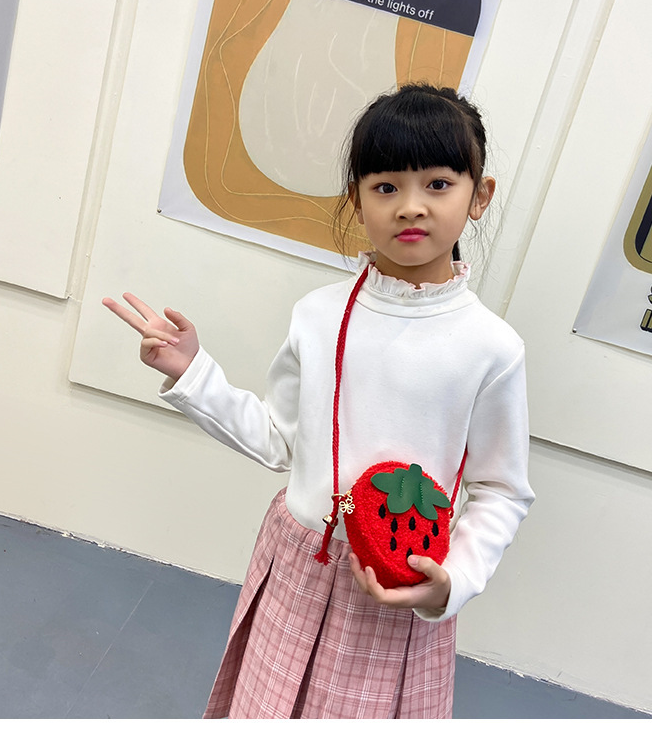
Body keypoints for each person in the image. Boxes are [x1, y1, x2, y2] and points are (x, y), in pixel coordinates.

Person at [102, 83, 534, 719]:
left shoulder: (492, 348)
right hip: (299, 562)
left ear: (480, 195)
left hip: (400, 586)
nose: (411, 206)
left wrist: (453, 581)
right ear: (356, 199)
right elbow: (280, 440)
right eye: (386, 186)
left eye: (439, 183)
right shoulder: (319, 315)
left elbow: (502, 491)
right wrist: (194, 373)